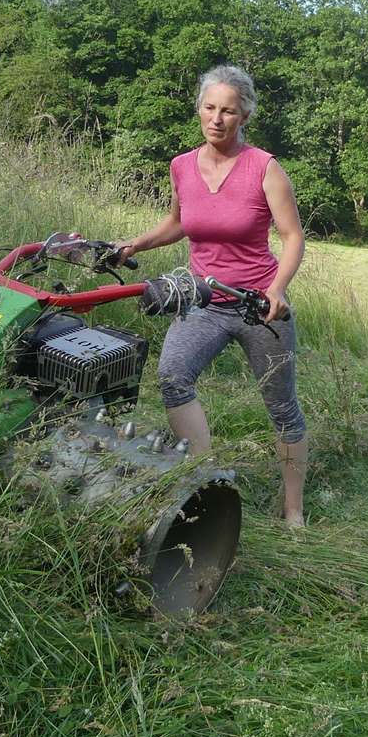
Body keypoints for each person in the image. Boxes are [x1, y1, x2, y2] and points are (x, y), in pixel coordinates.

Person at [115, 64, 310, 526]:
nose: (216, 118)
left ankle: (294, 510)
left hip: (259, 307)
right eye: (209, 108)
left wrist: (277, 289)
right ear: (199, 108)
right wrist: (136, 244)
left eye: (228, 111)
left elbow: (293, 237)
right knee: (173, 376)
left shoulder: (265, 167)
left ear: (244, 116)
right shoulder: (181, 166)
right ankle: (204, 478)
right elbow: (180, 223)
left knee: (282, 406)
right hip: (203, 298)